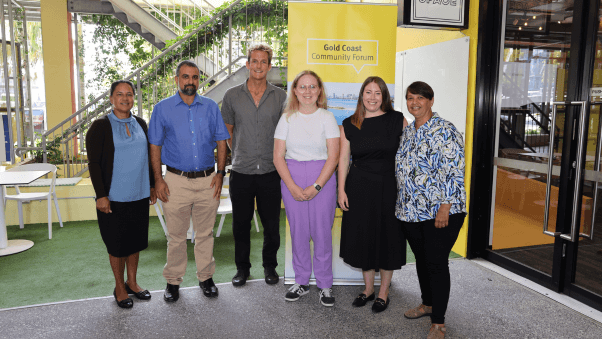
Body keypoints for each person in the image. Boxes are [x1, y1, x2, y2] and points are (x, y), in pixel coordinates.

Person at [148, 60, 230, 302]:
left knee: (205, 234)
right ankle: (173, 282)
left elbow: (221, 141)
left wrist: (221, 173)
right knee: (176, 236)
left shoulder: (211, 107)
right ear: (177, 80)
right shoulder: (162, 109)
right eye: (185, 77)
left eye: (194, 77)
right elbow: (155, 145)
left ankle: (206, 278)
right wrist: (158, 180)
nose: (190, 82)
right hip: (175, 181)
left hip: (208, 180)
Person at [395, 81, 467, 339]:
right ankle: (428, 303)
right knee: (422, 261)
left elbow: (454, 171)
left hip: (441, 210)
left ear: (431, 100)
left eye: (420, 98)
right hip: (411, 210)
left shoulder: (445, 130)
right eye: (410, 98)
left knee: (436, 262)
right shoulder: (408, 131)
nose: (415, 102)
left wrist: (445, 207)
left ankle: (439, 322)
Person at [338, 76, 408, 313]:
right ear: (361, 95)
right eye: (368, 92)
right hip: (358, 187)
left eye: (377, 93)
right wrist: (341, 190)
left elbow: (409, 157)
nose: (372, 97)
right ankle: (368, 290)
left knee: (388, 238)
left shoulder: (398, 120)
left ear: (384, 96)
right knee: (363, 237)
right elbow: (343, 160)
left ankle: (383, 292)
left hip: (389, 187)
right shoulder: (349, 123)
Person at [221, 43, 287, 286]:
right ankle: (242, 269)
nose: (259, 65)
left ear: (269, 66)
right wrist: (242, 151)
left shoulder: (281, 96)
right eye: (254, 61)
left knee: (271, 225)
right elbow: (227, 133)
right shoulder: (231, 96)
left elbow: (285, 133)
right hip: (241, 172)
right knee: (241, 225)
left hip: (271, 172)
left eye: (264, 61)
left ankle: (270, 267)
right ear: (247, 64)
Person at [87, 80, 156, 309]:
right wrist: (101, 195)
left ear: (133, 98)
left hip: (138, 194)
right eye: (119, 94)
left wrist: (152, 186)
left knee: (134, 242)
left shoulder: (140, 124)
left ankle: (132, 283)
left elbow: (148, 157)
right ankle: (119, 287)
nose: (125, 98)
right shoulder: (100, 126)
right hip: (113, 198)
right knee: (117, 245)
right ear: (111, 98)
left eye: (129, 94)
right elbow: (94, 164)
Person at [274, 70, 340, 306]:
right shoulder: (287, 118)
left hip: (322, 176)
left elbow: (334, 156)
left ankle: (324, 285)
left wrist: (318, 185)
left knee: (322, 233)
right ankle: (301, 281)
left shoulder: (327, 118)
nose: (308, 91)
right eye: (303, 87)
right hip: (291, 176)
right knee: (299, 233)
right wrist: (291, 186)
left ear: (320, 90)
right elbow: (278, 157)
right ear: (294, 91)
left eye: (313, 87)